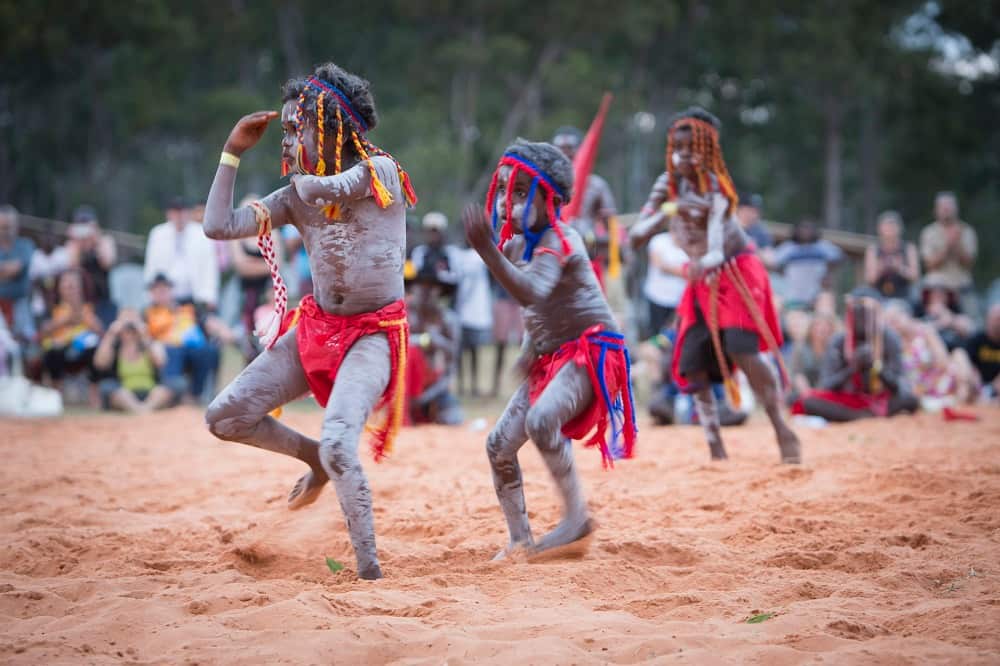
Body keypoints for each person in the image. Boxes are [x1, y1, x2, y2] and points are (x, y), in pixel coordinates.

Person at [202, 62, 418, 580]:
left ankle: (370, 573)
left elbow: (325, 191)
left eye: (300, 126)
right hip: (318, 330)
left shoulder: (380, 171)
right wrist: (232, 151)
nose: (292, 138)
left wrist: (301, 177)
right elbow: (217, 226)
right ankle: (314, 459)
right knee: (224, 417)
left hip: (374, 336)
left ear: (334, 125)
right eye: (290, 129)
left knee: (343, 442)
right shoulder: (299, 192)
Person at [464, 139, 637, 558]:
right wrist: (529, 351)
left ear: (552, 200)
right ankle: (520, 540)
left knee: (542, 421)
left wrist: (486, 251)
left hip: (592, 352)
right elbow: (534, 313)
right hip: (552, 359)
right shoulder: (511, 246)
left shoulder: (562, 238)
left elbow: (533, 291)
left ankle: (577, 518)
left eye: (521, 193)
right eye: (504, 191)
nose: (507, 204)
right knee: (497, 446)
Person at [630, 107, 800, 463]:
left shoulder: (717, 188)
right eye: (678, 146)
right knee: (691, 360)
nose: (684, 154)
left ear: (708, 149)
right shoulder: (666, 184)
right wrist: (664, 213)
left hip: (735, 271)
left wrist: (693, 259)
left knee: (740, 347)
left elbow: (717, 250)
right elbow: (636, 235)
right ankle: (715, 446)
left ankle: (781, 427)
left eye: (692, 146)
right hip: (700, 278)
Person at [794, 297, 918, 421]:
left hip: (883, 399)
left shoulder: (889, 338)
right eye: (858, 314)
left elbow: (897, 386)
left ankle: (863, 415)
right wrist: (853, 368)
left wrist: (876, 368)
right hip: (848, 400)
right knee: (807, 401)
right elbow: (827, 385)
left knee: (909, 399)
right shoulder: (839, 341)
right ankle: (860, 416)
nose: (862, 320)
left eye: (867, 315)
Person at [144, 274, 230, 403]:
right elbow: (144, 334)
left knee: (208, 350)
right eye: (157, 290)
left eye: (164, 289)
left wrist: (222, 329)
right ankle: (173, 393)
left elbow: (206, 320)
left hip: (192, 346)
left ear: (170, 290)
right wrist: (154, 344)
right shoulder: (147, 312)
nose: (161, 293)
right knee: (172, 352)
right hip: (165, 348)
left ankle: (198, 394)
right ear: (152, 293)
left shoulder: (186, 307)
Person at [552, 126, 618, 286]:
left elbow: (612, 227)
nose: (564, 154)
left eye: (569, 148)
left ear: (582, 150)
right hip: (551, 257)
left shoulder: (596, 185)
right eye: (559, 149)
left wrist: (601, 242)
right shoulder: (543, 184)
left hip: (588, 256)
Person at [883, 302, 978, 406]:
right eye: (890, 322)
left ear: (907, 316)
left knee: (959, 354)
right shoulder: (892, 342)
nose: (894, 324)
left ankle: (962, 398)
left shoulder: (925, 331)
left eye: (896, 319)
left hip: (938, 378)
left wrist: (928, 364)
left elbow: (943, 361)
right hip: (916, 389)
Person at [229, 193, 286, 362]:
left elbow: (279, 263)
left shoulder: (270, 232)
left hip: (268, 291)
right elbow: (240, 267)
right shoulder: (237, 234)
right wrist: (266, 265)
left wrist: (251, 264)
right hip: (246, 293)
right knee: (248, 338)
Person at [94, 308, 180, 413]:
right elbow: (100, 363)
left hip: (151, 392)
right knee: (111, 388)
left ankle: (142, 410)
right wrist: (111, 334)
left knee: (164, 389)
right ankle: (142, 410)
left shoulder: (149, 343)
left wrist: (145, 335)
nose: (129, 326)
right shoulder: (115, 346)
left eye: (133, 320)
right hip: (124, 394)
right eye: (125, 320)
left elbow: (161, 362)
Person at [406, 269, 463, 424]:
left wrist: (424, 398)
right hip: (401, 389)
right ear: (412, 289)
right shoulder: (401, 317)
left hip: (433, 389)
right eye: (421, 286)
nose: (426, 291)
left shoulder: (448, 320)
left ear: (440, 291)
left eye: (431, 287)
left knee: (453, 419)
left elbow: (451, 370)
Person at [144, 197, 220, 310]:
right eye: (175, 212)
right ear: (169, 214)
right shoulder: (158, 234)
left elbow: (210, 268)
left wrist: (209, 297)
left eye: (182, 212)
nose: (179, 216)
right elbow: (151, 267)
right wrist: (151, 296)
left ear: (189, 213)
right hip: (165, 298)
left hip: (195, 297)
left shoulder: (202, 234)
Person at [38, 269, 103, 392]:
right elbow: (42, 333)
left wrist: (82, 314)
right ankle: (56, 392)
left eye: (73, 285)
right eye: (66, 284)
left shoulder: (89, 307)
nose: (70, 288)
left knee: (95, 349)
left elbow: (100, 331)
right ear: (59, 287)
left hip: (83, 348)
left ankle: (95, 394)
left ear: (80, 288)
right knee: (53, 352)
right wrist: (65, 320)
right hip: (59, 347)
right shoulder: (52, 307)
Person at [920, 191, 977, 313]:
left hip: (962, 285)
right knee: (932, 284)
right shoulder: (929, 232)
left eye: (949, 207)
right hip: (937, 286)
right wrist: (948, 246)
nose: (946, 210)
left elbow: (969, 264)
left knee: (974, 320)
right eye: (943, 207)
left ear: (956, 209)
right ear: (936, 210)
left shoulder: (967, 231)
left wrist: (957, 244)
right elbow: (929, 265)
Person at [771, 219, 844, 310]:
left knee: (826, 299)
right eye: (802, 229)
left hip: (816, 289)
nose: (805, 232)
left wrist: (828, 273)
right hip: (792, 290)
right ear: (796, 231)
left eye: (808, 229)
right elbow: (774, 262)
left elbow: (838, 257)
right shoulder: (789, 248)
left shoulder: (822, 246)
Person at [66, 205, 118, 326]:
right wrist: (77, 242)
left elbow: (107, 263)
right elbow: (72, 266)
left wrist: (96, 240)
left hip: (103, 301)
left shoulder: (105, 241)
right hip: (82, 303)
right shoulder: (73, 245)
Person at [455, 242, 492, 397]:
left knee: (472, 352)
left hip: (473, 311)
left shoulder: (478, 256)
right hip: (465, 312)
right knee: (464, 352)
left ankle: (470, 386)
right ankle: (464, 386)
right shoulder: (459, 256)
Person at [0, 205, 37, 343]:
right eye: (3, 227)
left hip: (20, 306)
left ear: (16, 226)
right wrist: (8, 270)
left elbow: (17, 268)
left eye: (9, 226)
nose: (6, 231)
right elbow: (12, 269)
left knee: (26, 342)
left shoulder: (25, 245)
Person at [864, 211, 920, 301]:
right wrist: (882, 268)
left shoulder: (909, 248)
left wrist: (899, 268)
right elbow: (870, 280)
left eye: (893, 226)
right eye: (886, 226)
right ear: (879, 229)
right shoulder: (873, 250)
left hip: (904, 295)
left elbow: (915, 277)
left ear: (900, 229)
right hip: (878, 295)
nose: (890, 230)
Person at [642, 230, 687, 338]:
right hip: (657, 298)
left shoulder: (689, 243)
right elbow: (660, 265)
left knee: (676, 335)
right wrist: (684, 271)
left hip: (679, 301)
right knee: (656, 334)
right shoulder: (658, 240)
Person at [787, 312, 839, 403]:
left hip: (827, 393)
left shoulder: (835, 349)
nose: (821, 329)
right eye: (818, 325)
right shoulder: (801, 347)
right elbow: (797, 374)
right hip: (804, 392)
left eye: (826, 326)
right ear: (811, 328)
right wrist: (808, 393)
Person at [409, 211, 462, 291]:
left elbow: (457, 278)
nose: (433, 235)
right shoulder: (419, 252)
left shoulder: (452, 252)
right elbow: (413, 276)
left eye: (435, 231)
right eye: (430, 231)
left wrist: (440, 275)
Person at [965, 302, 1000, 401]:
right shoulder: (976, 340)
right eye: (996, 319)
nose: (997, 323)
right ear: (988, 320)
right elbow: (968, 362)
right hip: (978, 386)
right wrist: (973, 375)